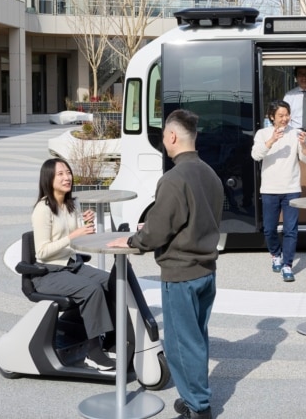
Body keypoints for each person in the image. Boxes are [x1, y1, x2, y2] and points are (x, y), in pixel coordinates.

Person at [109, 109, 223, 419]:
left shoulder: (173, 179)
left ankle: (199, 407)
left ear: (172, 136)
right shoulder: (210, 174)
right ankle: (192, 398)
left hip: (181, 273)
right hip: (206, 271)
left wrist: (134, 240)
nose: (164, 142)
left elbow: (158, 229)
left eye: (164, 137)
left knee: (180, 344)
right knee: (196, 338)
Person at [30, 157, 116, 371]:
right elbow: (41, 251)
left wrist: (86, 223)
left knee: (113, 281)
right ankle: (94, 353)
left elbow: (78, 236)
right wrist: (73, 235)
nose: (67, 177)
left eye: (68, 172)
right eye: (60, 174)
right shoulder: (43, 209)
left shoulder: (71, 203)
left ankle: (111, 339)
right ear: (48, 178)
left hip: (71, 265)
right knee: (92, 290)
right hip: (47, 272)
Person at [251, 100, 306, 282]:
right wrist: (271, 140)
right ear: (272, 117)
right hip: (269, 189)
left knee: (290, 230)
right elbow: (255, 155)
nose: (285, 119)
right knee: (269, 229)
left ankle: (287, 265)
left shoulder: (296, 133)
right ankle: (275, 254)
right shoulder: (262, 134)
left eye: (287, 115)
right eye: (281, 116)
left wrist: (303, 145)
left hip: (291, 188)